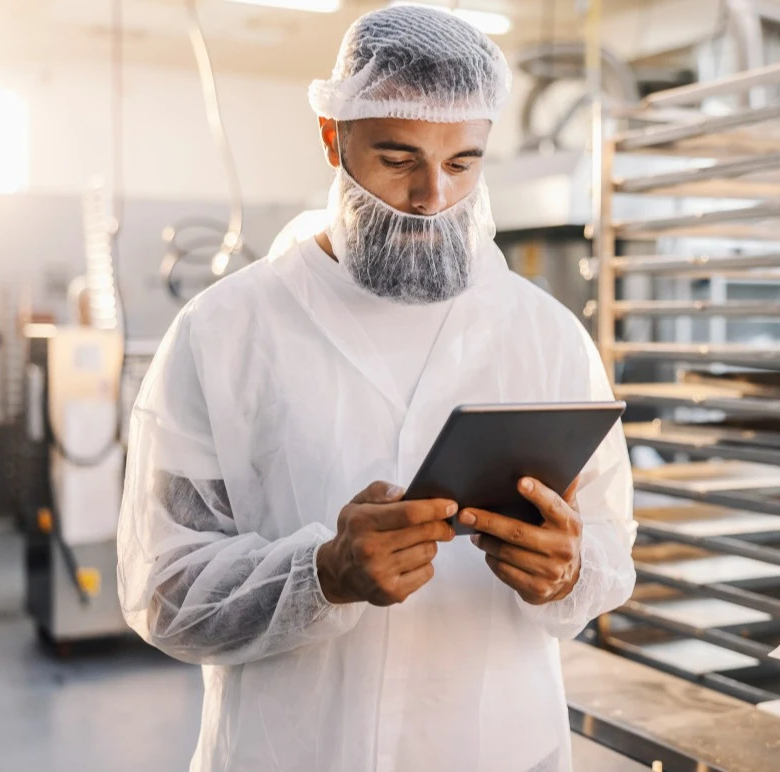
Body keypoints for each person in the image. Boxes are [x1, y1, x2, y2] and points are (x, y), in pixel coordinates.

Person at [115, 6, 636, 771]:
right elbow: (163, 587)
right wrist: (323, 573)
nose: (432, 196)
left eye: (462, 163)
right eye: (399, 158)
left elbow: (610, 550)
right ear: (334, 138)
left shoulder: (546, 336)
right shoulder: (227, 332)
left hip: (496, 749)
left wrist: (567, 571)